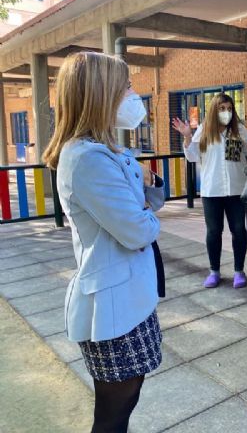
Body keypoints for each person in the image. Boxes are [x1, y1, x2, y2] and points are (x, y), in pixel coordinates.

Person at [42, 52, 165, 433]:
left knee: (127, 400)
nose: (133, 95)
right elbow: (138, 231)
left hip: (129, 295)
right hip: (113, 307)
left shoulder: (107, 150)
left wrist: (146, 193)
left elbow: (146, 204)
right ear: (101, 94)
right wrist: (145, 208)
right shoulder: (88, 159)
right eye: (126, 87)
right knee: (113, 413)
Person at [173, 94, 247, 289]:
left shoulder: (239, 130)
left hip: (236, 190)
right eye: (221, 108)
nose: (225, 112)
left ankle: (239, 271)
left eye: (228, 108)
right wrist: (187, 136)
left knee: (239, 231)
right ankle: (214, 271)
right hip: (212, 191)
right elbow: (192, 157)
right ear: (214, 110)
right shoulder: (205, 130)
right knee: (214, 232)